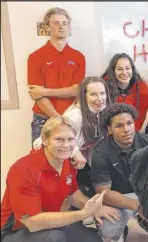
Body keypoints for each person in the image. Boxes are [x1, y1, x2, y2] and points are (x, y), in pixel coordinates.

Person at [0, 116, 118, 242]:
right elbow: (32, 222)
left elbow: (73, 195)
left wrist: (94, 208)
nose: (66, 145)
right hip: (14, 232)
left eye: (70, 139)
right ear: (44, 140)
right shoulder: (23, 169)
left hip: (47, 222)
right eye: (59, 139)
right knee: (53, 240)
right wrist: (83, 214)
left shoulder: (67, 162)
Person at [91, 103, 148, 242]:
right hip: (117, 200)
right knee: (108, 229)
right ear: (109, 129)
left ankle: (146, 221)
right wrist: (138, 206)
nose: (127, 129)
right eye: (119, 126)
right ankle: (118, 238)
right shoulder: (100, 153)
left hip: (146, 194)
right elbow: (104, 193)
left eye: (129, 123)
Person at [33, 76, 112, 200]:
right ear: (83, 96)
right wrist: (74, 151)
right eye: (93, 94)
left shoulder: (102, 113)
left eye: (102, 93)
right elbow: (39, 143)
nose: (100, 98)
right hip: (51, 166)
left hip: (78, 166)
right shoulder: (76, 115)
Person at [28, 7, 86, 142]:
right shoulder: (35, 57)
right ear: (47, 27)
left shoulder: (78, 57)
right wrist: (58, 120)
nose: (61, 26)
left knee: (71, 161)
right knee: (41, 161)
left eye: (64, 23)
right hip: (43, 119)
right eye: (56, 23)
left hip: (71, 117)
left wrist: (45, 91)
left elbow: (77, 90)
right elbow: (37, 95)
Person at [101, 53, 148, 132]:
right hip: (109, 132)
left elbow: (140, 117)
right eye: (119, 69)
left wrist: (129, 133)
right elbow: (102, 117)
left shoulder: (141, 87)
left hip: (131, 132)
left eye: (127, 68)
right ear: (113, 71)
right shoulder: (104, 86)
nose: (124, 72)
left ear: (132, 69)